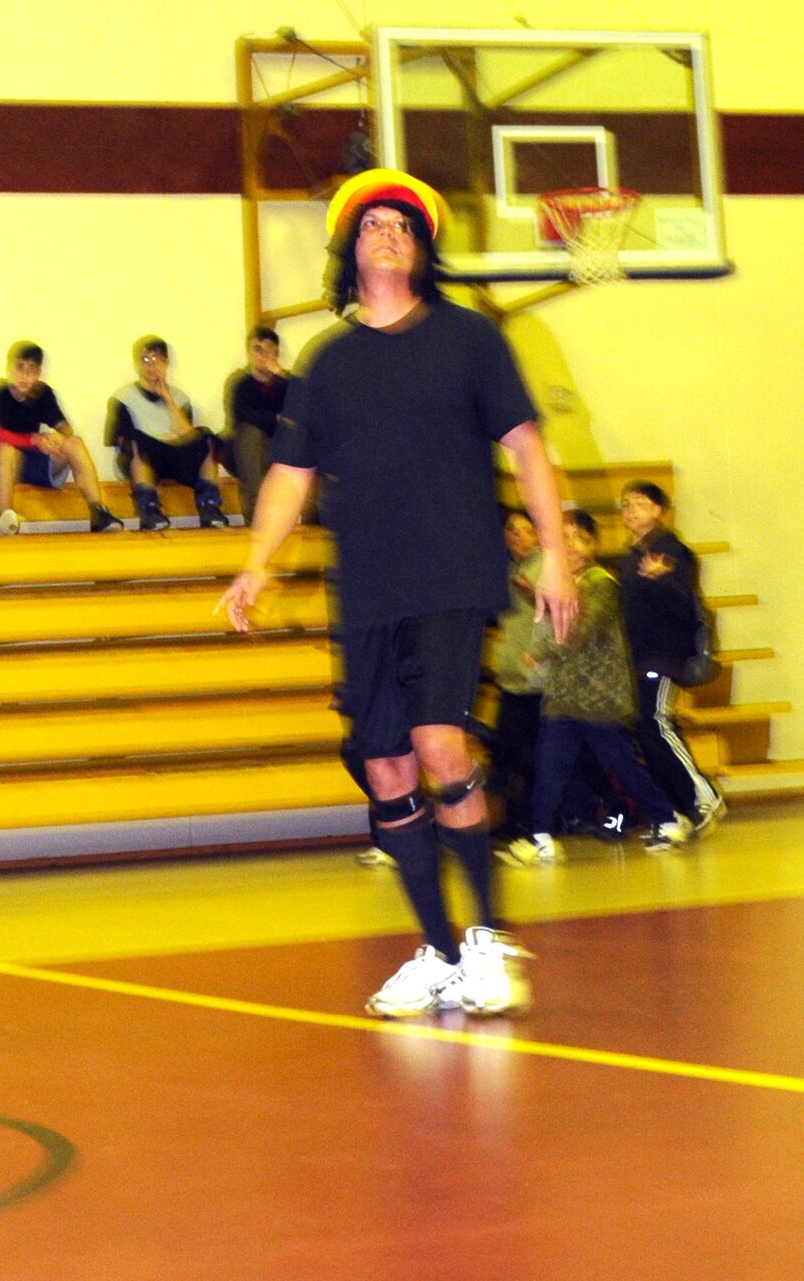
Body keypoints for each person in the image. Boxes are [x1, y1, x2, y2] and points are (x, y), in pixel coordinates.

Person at [219, 168, 577, 1020]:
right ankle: (440, 949)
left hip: (453, 573)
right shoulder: (328, 361)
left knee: (438, 742)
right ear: (351, 249)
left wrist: (557, 555)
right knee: (384, 767)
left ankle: (486, 936)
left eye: (401, 224)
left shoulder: (470, 340)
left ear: (422, 248)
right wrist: (257, 560)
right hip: (369, 585)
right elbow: (289, 475)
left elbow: (528, 451)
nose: (386, 232)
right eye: (371, 223)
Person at [517, 510, 694, 865]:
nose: (566, 545)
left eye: (575, 537)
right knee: (550, 765)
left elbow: (581, 630)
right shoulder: (573, 583)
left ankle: (668, 819)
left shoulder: (600, 583)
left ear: (590, 544)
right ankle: (539, 837)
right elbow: (564, 622)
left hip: (596, 697)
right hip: (567, 695)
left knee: (622, 764)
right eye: (561, 537)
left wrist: (540, 650)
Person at [617, 480, 723, 834]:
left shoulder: (672, 549)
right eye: (625, 505)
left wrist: (662, 580)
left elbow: (684, 608)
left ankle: (704, 797)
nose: (630, 510)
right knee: (646, 729)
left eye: (639, 504)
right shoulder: (630, 556)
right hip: (639, 655)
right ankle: (678, 810)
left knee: (658, 723)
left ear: (658, 510)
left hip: (663, 656)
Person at [0, 343, 123, 535]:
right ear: (8, 369)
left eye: (31, 370)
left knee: (75, 443)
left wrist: (58, 438)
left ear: (38, 374)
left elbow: (66, 428)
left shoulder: (43, 393)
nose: (24, 375)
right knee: (5, 449)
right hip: (1, 464)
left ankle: (98, 511)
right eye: (20, 368)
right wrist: (33, 440)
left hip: (33, 462)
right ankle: (5, 517)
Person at [110, 337, 227, 532]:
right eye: (145, 360)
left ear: (166, 363)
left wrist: (167, 398)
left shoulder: (180, 398)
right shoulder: (123, 398)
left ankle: (209, 506)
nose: (151, 366)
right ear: (137, 365)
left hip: (175, 456)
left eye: (156, 359)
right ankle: (148, 509)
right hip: (143, 458)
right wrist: (164, 438)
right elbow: (121, 438)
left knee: (206, 436)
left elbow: (187, 435)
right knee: (136, 440)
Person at [488, 509, 549, 856]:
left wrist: (531, 594)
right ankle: (512, 821)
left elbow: (563, 612)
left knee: (533, 759)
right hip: (512, 681)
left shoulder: (545, 570)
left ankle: (533, 823)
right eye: (512, 531)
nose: (519, 537)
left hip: (540, 683)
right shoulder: (508, 570)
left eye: (527, 530)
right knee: (508, 755)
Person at [225, 324, 288, 523]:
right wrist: (277, 418)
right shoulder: (238, 382)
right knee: (249, 435)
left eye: (270, 351)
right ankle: (258, 517)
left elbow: (306, 405)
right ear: (248, 353)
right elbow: (242, 416)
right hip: (245, 448)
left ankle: (314, 520)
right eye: (258, 350)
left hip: (276, 447)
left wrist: (281, 374)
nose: (264, 356)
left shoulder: (283, 383)